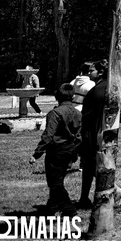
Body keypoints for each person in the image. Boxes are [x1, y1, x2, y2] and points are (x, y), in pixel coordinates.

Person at [29, 83, 80, 214]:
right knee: (58, 180)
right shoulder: (78, 113)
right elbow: (80, 135)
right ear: (73, 96)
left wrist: (37, 154)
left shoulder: (55, 113)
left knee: (55, 183)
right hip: (70, 150)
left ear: (57, 97)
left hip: (56, 151)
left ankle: (69, 208)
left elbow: (48, 136)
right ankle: (52, 208)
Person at [77, 60, 107, 208]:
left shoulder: (98, 90)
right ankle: (85, 197)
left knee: (91, 167)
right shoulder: (102, 87)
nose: (89, 73)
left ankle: (87, 197)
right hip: (96, 133)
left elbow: (92, 115)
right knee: (92, 167)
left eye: (92, 71)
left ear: (100, 72)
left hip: (92, 133)